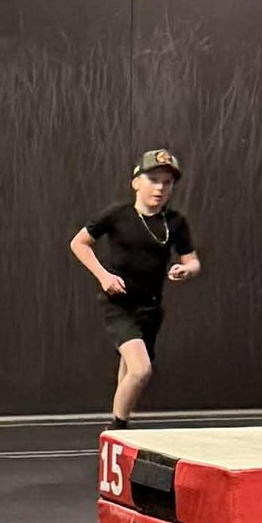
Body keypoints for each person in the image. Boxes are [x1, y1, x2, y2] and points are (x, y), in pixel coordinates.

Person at [70, 148, 201, 422]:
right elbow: (79, 243)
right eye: (153, 180)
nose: (160, 188)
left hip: (151, 309)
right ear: (136, 182)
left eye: (167, 183)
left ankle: (119, 433)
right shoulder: (117, 215)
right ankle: (117, 428)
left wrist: (186, 269)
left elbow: (192, 261)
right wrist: (103, 276)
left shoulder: (175, 223)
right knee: (141, 370)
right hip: (119, 304)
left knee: (129, 373)